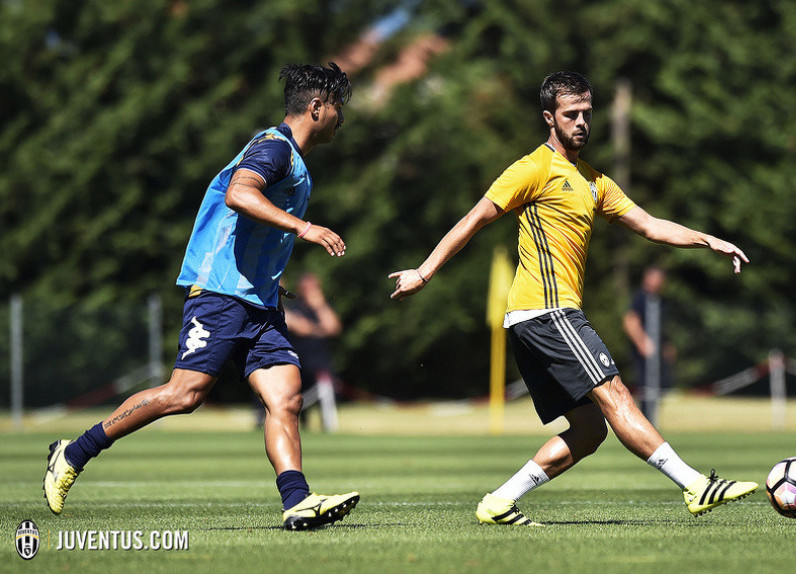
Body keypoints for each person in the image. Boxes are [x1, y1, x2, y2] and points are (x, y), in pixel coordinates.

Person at [389, 71, 757, 526]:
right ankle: (696, 485)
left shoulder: (594, 181)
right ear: (549, 118)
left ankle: (498, 502)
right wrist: (424, 272)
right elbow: (474, 219)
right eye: (571, 114)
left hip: (534, 319)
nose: (582, 122)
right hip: (547, 312)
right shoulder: (532, 169)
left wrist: (707, 240)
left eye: (587, 113)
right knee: (615, 393)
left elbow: (649, 225)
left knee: (588, 431)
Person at [43, 63, 360, 531]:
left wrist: (270, 278)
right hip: (220, 296)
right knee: (184, 394)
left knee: (287, 398)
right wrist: (305, 227)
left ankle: (297, 501)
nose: (341, 119)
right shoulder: (274, 149)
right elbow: (239, 194)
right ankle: (74, 452)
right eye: (338, 108)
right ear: (316, 107)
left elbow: (247, 227)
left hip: (260, 304)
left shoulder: (292, 159)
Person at [282, 272, 342, 428]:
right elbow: (300, 328)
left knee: (326, 399)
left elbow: (333, 327)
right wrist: (320, 330)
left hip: (320, 365)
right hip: (297, 362)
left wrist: (320, 306)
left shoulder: (323, 308)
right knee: (297, 402)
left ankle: (328, 427)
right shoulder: (293, 307)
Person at [623, 266, 677, 422]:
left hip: (657, 355)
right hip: (644, 356)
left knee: (659, 388)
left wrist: (666, 346)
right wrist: (642, 342)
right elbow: (630, 321)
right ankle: (644, 422)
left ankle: (652, 421)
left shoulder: (661, 301)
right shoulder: (640, 298)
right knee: (645, 388)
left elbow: (662, 328)